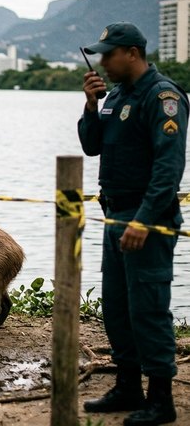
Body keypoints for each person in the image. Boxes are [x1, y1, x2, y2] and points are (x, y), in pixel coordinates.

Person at [78, 21, 188, 425]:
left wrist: (143, 221)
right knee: (117, 307)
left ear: (132, 53)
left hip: (148, 220)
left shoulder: (162, 96)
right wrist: (91, 107)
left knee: (148, 308)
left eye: (109, 55)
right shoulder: (116, 96)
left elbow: (168, 168)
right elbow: (91, 146)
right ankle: (127, 386)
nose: (103, 63)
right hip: (114, 215)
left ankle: (161, 399)